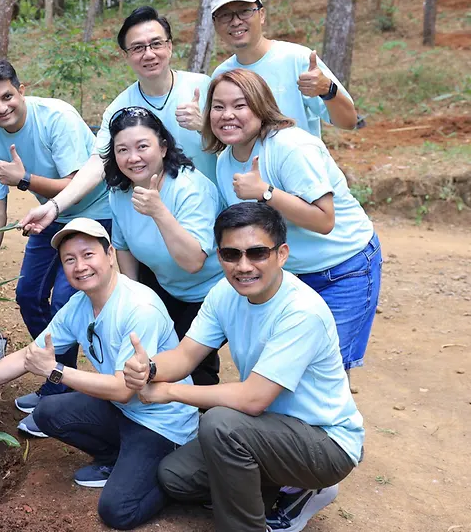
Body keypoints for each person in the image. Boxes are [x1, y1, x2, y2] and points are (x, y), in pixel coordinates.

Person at [0, 218, 198, 531]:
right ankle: (118, 457)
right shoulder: (80, 304)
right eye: (70, 259)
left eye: (88, 255)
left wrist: (56, 371)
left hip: (160, 422)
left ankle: (174, 476)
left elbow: (123, 389)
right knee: (47, 412)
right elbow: (27, 357)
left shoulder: (138, 307)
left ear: (110, 254)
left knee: (117, 511)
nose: (80, 266)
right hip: (123, 411)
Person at [124, 203, 364, 532]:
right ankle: (275, 491)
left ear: (282, 254)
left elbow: (253, 399)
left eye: (257, 253)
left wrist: (168, 391)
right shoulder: (225, 292)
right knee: (175, 476)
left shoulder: (301, 311)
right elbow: (184, 355)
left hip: (324, 442)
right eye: (231, 254)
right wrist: (148, 368)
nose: (243, 266)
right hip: (268, 431)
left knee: (221, 425)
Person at [204, 69, 381, 380]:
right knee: (286, 369)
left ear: (260, 106)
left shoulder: (291, 147)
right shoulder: (225, 162)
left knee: (326, 372)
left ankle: (335, 429)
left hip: (344, 268)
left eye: (240, 105)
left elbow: (325, 220)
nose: (227, 115)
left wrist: (265, 192)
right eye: (218, 107)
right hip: (290, 277)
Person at [0, 59, 112, 437]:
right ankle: (58, 377)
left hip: (95, 213)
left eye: (7, 97)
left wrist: (25, 180)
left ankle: (67, 385)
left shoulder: (55, 117)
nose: (1, 108)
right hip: (48, 220)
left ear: (21, 89)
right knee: (28, 294)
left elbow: (76, 181)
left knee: (68, 298)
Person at [19, 5, 214, 241]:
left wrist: (205, 125)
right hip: (150, 226)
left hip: (210, 213)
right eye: (138, 48)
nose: (149, 54)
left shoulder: (204, 88)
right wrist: (54, 207)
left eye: (156, 44)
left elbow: (240, 142)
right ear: (126, 56)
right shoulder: (118, 109)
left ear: (170, 46)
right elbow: (97, 163)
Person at [102, 106, 224, 385]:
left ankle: (200, 419)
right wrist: (134, 299)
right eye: (122, 150)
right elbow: (123, 247)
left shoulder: (190, 188)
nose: (133, 158)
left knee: (188, 366)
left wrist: (159, 212)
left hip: (210, 291)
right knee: (150, 349)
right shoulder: (120, 191)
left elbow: (193, 262)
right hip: (164, 284)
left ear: (164, 147)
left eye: (142, 146)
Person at [208, 0, 357, 136]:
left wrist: (328, 89)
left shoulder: (296, 59)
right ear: (215, 24)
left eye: (244, 11)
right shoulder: (221, 75)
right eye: (225, 15)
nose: (236, 21)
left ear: (262, 14)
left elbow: (348, 121)